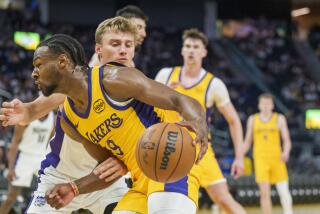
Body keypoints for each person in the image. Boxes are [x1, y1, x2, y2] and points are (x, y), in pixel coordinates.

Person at [1, 17, 208, 214]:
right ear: (98, 49)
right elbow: (110, 168)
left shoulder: (116, 77)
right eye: (116, 44)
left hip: (169, 164)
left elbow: (181, 100)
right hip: (137, 180)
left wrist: (198, 121)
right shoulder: (70, 117)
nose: (124, 51)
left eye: (129, 45)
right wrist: (74, 188)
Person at [155, 28, 246, 214]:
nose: (191, 50)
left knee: (224, 200)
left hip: (200, 150)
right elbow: (148, 109)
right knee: (168, 202)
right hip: (168, 148)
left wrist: (239, 156)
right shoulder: (165, 75)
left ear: (204, 52)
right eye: (187, 46)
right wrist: (164, 93)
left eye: (196, 47)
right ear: (181, 50)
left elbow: (234, 120)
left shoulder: (214, 84)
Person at [243, 93, 293, 214]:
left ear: (272, 105)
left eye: (268, 103)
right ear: (259, 105)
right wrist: (239, 157)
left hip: (277, 159)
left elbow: (287, 140)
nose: (265, 106)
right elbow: (247, 142)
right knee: (264, 193)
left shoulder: (280, 119)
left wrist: (286, 152)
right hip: (260, 160)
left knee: (284, 193)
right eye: (263, 103)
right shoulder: (252, 119)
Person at [0, 112, 54, 214]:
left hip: (41, 157)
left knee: (45, 196)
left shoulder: (53, 117)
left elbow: (51, 142)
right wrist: (11, 168)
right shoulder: (27, 115)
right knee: (11, 197)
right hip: (24, 157)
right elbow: (15, 142)